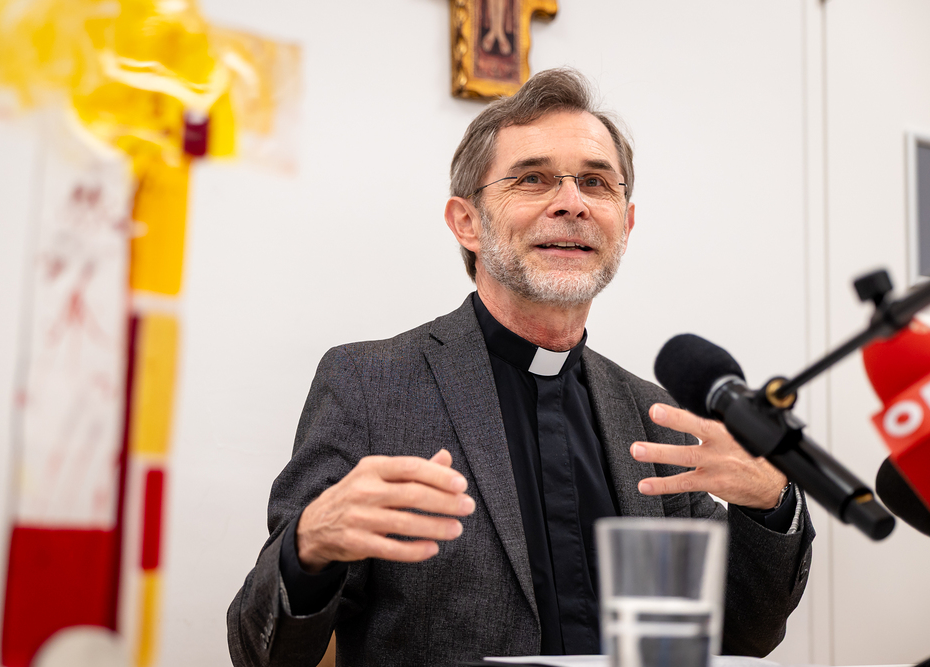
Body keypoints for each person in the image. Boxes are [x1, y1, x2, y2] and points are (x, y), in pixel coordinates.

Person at [227, 67, 814, 667]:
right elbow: (261, 654)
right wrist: (309, 546)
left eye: (596, 183)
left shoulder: (653, 414)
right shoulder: (371, 385)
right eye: (533, 178)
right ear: (467, 222)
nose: (572, 204)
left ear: (626, 223)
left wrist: (770, 500)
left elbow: (742, 637)